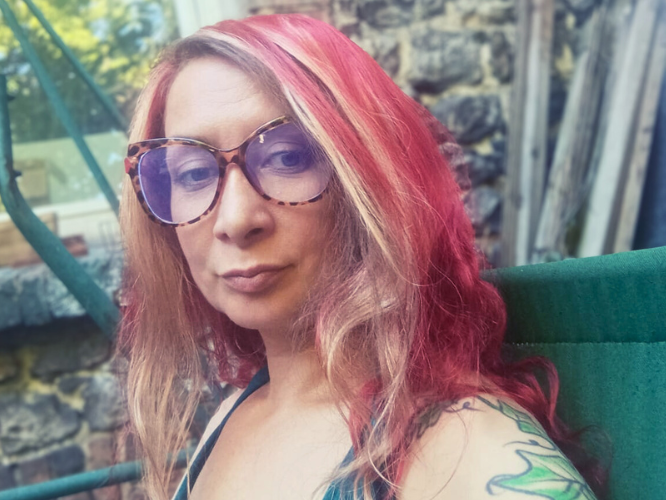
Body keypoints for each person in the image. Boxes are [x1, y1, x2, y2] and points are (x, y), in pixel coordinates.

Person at [118, 14, 603, 500]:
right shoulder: (228, 416)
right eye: (192, 173)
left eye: (288, 158)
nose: (236, 219)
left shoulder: (465, 450)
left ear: (367, 178)